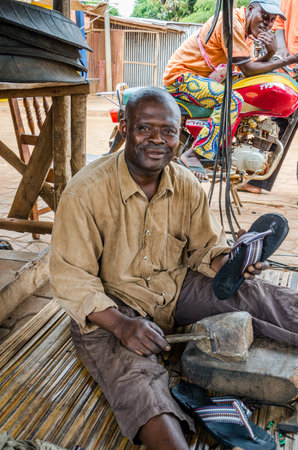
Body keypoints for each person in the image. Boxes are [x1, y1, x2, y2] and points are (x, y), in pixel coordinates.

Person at [50, 88, 298, 450]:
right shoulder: (84, 192)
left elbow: (202, 248)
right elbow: (72, 278)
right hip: (109, 307)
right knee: (136, 377)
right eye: (143, 128)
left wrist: (231, 260)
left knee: (255, 294)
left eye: (167, 131)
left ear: (180, 135)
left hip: (173, 287)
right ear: (123, 128)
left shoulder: (185, 183)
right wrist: (121, 325)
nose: (157, 141)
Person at [163, 0, 298, 181]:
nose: (268, 23)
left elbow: (247, 68)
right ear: (250, 9)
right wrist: (286, 60)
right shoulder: (232, 22)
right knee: (232, 99)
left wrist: (269, 54)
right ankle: (194, 154)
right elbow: (248, 69)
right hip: (183, 76)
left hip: (208, 77)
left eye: (272, 20)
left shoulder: (246, 32)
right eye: (264, 16)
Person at [247, 0, 298, 193]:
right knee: (278, 122)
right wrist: (283, 51)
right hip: (290, 65)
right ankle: (256, 180)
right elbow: (279, 24)